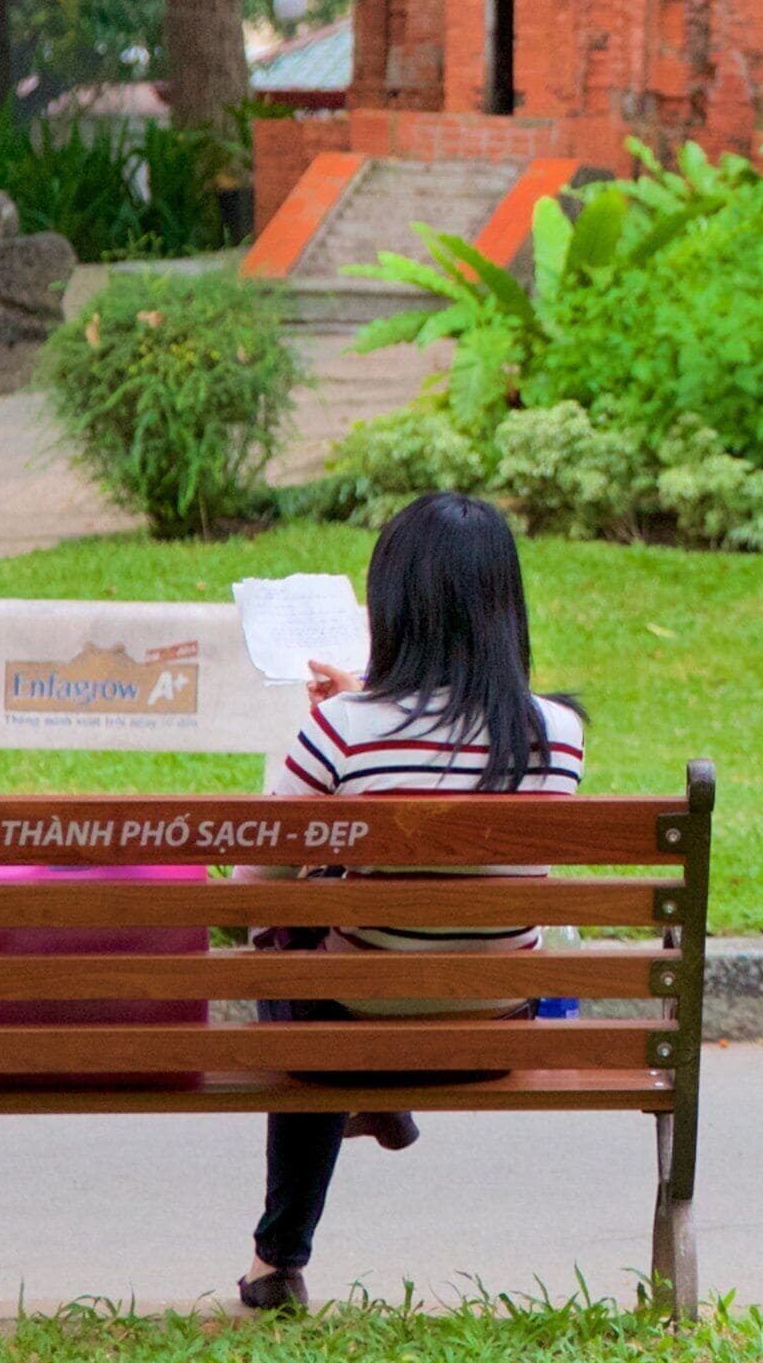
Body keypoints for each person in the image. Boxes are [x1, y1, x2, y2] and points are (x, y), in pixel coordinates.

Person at [236, 492, 587, 1311]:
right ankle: (376, 1094)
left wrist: (342, 730)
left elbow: (252, 891)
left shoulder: (342, 732)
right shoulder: (558, 735)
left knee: (292, 946)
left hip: (354, 1030)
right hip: (492, 1027)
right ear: (505, 607)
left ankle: (278, 1258)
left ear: (391, 605)